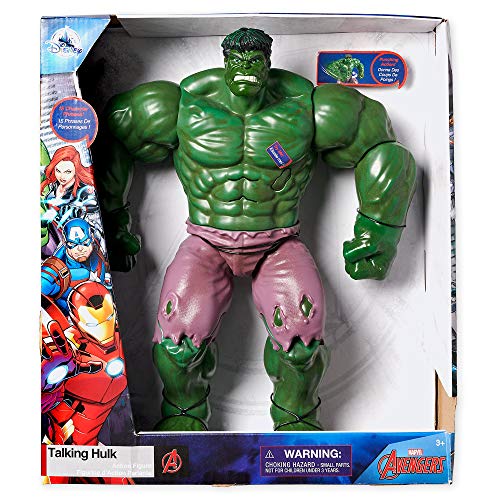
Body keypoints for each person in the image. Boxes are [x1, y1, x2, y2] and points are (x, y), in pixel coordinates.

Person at [95, 27, 416, 432]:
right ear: (225, 61)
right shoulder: (182, 106)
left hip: (278, 243)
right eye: (238, 60)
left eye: (255, 60)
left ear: (268, 63)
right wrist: (112, 218)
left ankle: (297, 425)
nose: (245, 67)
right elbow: (110, 136)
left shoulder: (307, 107)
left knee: (301, 342)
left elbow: (383, 148)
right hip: (207, 240)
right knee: (178, 342)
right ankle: (182, 420)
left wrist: (379, 228)